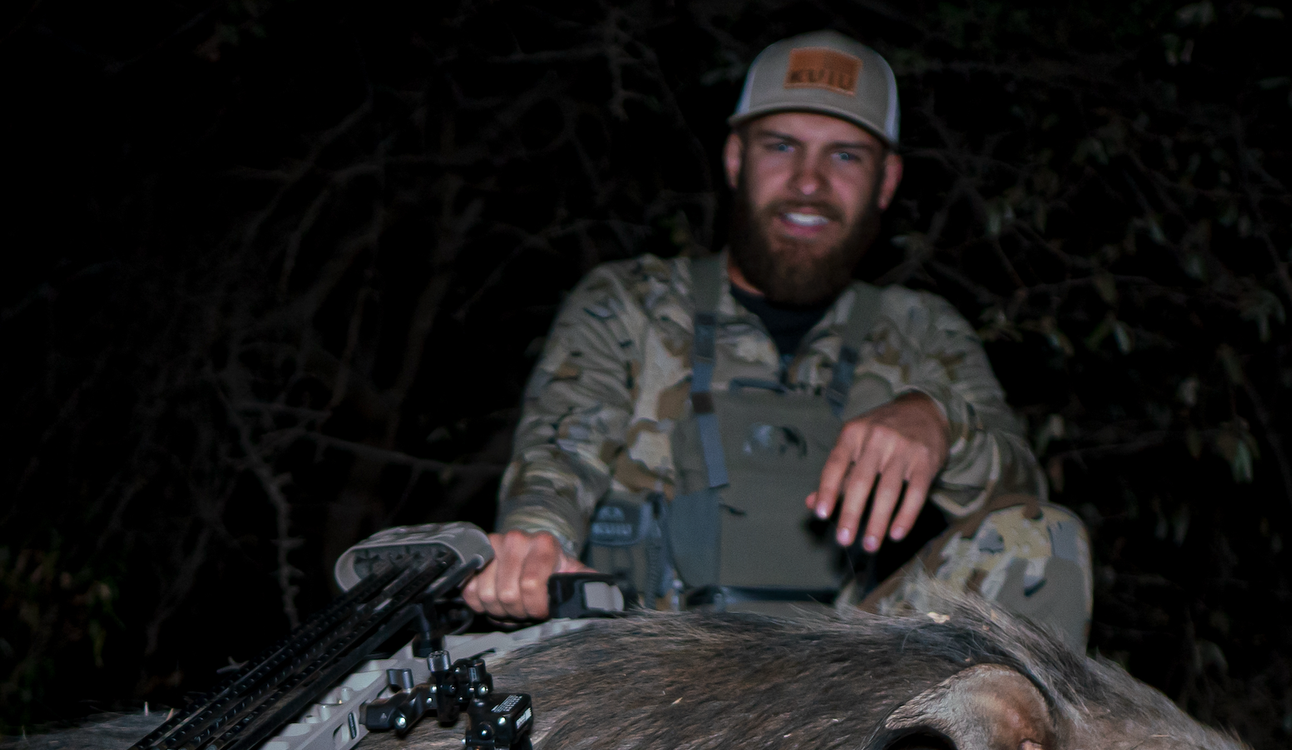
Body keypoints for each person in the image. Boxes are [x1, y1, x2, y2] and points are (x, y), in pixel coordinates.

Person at [463, 31, 1094, 646]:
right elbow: (556, 456)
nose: (809, 182)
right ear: (736, 158)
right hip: (648, 677)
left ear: (888, 179)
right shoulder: (630, 305)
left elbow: (1025, 510)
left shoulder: (923, 330)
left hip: (844, 691)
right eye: (782, 146)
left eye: (845, 155)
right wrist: (533, 541)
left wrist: (941, 424)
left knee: (1046, 537)